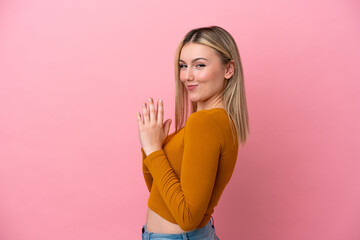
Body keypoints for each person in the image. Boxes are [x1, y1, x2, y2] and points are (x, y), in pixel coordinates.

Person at [136, 26, 249, 240]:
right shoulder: (219, 121)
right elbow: (159, 193)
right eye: (183, 66)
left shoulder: (204, 122)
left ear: (228, 69)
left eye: (199, 65)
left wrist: (153, 150)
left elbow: (187, 217)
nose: (188, 76)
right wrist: (153, 148)